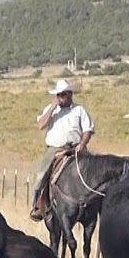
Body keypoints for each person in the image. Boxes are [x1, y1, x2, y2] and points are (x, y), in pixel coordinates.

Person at [28, 78, 94, 222]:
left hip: (76, 146)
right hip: (56, 148)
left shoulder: (79, 110)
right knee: (41, 173)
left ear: (70, 94)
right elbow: (41, 125)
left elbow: (88, 129)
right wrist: (52, 109)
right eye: (59, 95)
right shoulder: (51, 109)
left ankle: (97, 204)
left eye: (64, 94)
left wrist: (82, 144)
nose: (61, 97)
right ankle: (37, 204)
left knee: (94, 170)